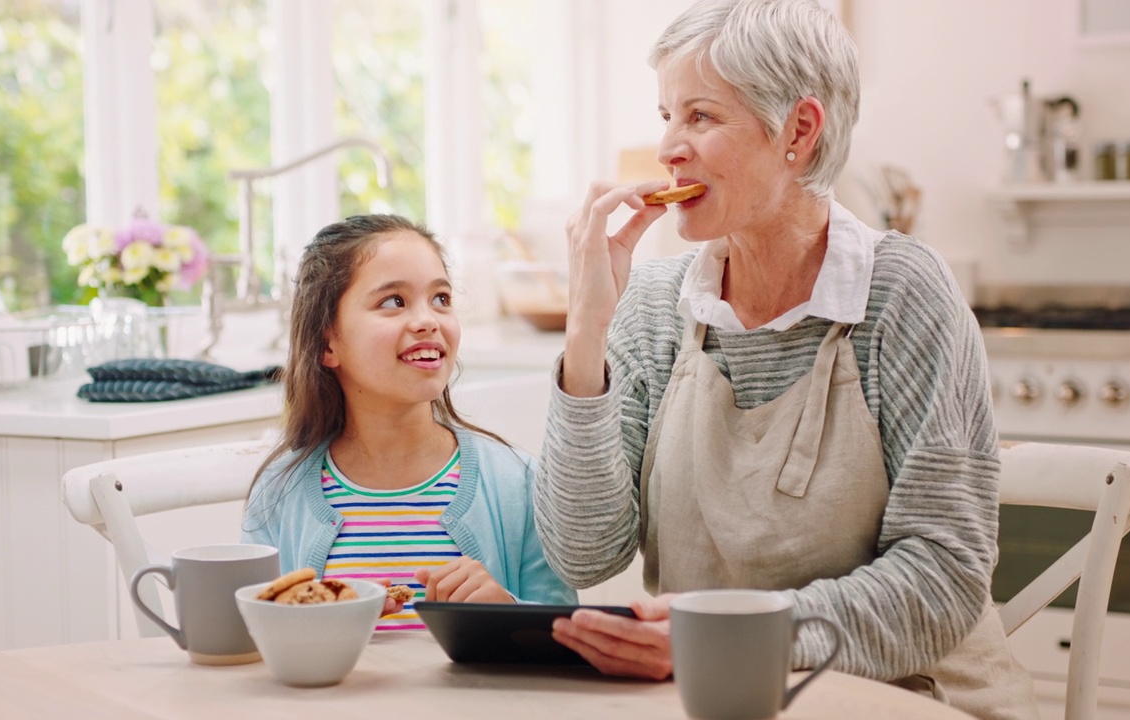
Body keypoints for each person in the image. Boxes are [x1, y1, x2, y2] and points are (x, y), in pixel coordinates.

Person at [532, 1, 1038, 718]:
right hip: (719, 697)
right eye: (667, 116)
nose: (670, 148)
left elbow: (943, 579)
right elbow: (584, 555)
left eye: (701, 117)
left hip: (911, 699)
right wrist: (587, 331)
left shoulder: (901, 295)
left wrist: (733, 636)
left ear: (798, 131)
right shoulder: (650, 305)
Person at [243, 214, 575, 631]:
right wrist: (309, 629)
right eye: (393, 302)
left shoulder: (519, 484)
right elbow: (255, 640)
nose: (428, 320)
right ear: (328, 343)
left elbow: (564, 638)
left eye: (441, 298)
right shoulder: (278, 494)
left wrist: (504, 610)